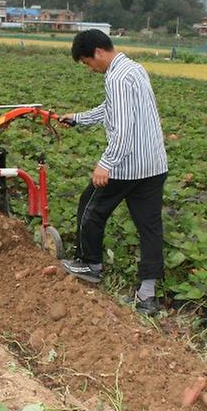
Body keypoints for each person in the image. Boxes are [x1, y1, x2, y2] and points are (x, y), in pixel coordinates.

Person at [59, 29, 168, 316]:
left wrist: (106, 164)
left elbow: (123, 129)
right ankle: (147, 295)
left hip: (127, 166)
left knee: (89, 208)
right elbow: (112, 109)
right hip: (153, 165)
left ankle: (90, 264)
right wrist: (78, 118)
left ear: (97, 52)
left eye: (87, 62)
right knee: (149, 227)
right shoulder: (134, 69)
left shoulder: (116, 78)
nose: (89, 68)